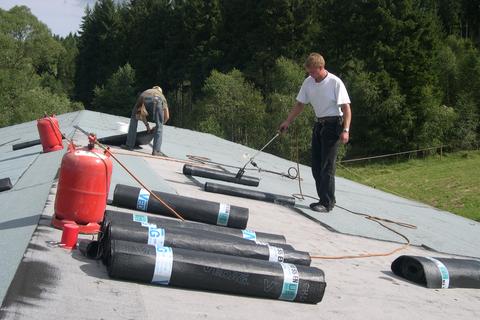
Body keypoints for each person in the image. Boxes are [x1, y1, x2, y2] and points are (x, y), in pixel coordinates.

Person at [279, 53, 351, 212]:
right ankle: (322, 199)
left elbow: (346, 108)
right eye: (309, 72)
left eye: (313, 72)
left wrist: (346, 130)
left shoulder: (334, 82)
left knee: (327, 166)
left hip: (334, 124)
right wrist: (287, 121)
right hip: (319, 124)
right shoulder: (308, 82)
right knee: (316, 166)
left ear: (321, 68)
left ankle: (327, 203)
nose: (310, 75)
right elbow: (300, 104)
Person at [123, 86, 169, 156]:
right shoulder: (162, 96)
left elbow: (140, 113)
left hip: (143, 97)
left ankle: (129, 145)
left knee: (134, 119)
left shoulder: (147, 91)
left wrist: (147, 126)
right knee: (160, 126)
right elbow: (167, 117)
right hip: (158, 100)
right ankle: (156, 151)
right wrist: (157, 126)